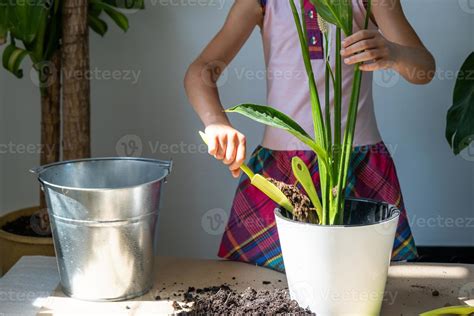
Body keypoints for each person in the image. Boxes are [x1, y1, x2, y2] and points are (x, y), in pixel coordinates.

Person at [184, 0, 435, 272]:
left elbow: (424, 68)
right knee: (258, 286)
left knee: (364, 283)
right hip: (280, 173)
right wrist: (217, 122)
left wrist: (394, 53)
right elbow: (202, 70)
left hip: (355, 167)